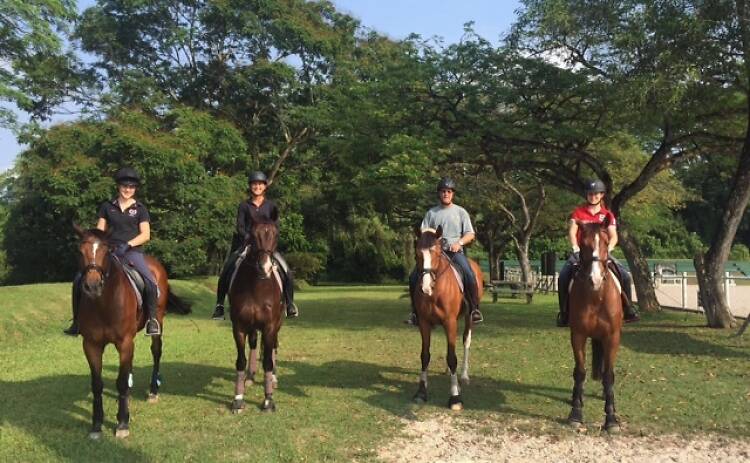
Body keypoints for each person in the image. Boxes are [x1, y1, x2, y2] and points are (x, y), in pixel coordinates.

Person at [64, 167, 161, 336]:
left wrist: (129, 244)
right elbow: (100, 231)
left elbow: (146, 235)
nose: (127, 190)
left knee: (150, 280)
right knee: (79, 279)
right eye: (124, 186)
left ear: (135, 189)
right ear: (118, 186)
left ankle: (152, 320)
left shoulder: (140, 209)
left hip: (132, 251)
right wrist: (99, 243)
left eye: (131, 187)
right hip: (109, 250)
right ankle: (77, 321)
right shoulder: (107, 207)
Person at [211, 171, 299, 320]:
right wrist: (250, 238)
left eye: (260, 184)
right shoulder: (244, 205)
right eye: (254, 184)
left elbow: (275, 226)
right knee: (227, 268)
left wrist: (269, 240)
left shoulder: (271, 206)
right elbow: (240, 226)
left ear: (265, 187)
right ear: (250, 186)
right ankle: (219, 305)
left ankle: (290, 303)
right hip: (248, 245)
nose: (257, 186)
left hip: (267, 247)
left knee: (286, 271)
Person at [556, 179, 641, 327]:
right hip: (581, 252)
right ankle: (564, 313)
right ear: (586, 195)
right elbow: (572, 232)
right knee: (563, 276)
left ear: (601, 195)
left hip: (601, 253)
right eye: (590, 194)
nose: (593, 196)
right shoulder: (578, 213)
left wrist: (609, 249)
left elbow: (613, 235)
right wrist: (575, 247)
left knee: (625, 276)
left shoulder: (607, 215)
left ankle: (629, 309)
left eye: (596, 194)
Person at [406, 177, 483, 326]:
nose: (446, 194)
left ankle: (474, 310)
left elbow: (470, 234)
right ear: (439, 194)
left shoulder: (461, 212)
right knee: (413, 276)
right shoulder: (431, 213)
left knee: (468, 273)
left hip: (454, 253)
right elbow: (424, 233)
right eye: (443, 191)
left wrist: (459, 243)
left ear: (453, 194)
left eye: (448, 191)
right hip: (435, 254)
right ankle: (415, 312)